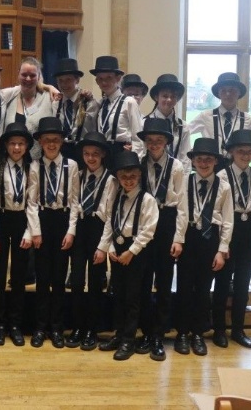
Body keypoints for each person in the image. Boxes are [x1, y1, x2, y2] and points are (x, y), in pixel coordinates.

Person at [94, 151, 157, 361]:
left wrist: (132, 251)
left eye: (132, 177)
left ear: (139, 176)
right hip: (118, 249)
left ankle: (129, 339)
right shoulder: (117, 197)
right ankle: (118, 335)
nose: (128, 181)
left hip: (136, 251)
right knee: (118, 295)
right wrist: (107, 248)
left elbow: (149, 230)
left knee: (133, 298)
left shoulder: (147, 200)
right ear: (118, 178)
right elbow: (110, 224)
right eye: (124, 177)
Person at [134, 117, 187, 361]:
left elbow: (183, 206)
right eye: (150, 140)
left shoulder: (177, 168)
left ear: (166, 142)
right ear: (144, 142)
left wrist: (178, 238)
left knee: (164, 283)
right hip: (144, 223)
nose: (154, 144)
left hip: (166, 221)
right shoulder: (139, 164)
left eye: (159, 140)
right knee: (143, 282)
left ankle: (159, 334)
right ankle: (145, 331)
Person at [174, 138, 233, 357]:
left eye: (209, 159)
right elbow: (181, 213)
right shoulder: (185, 182)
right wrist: (178, 239)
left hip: (210, 240)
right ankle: (181, 333)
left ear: (216, 161)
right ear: (193, 161)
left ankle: (197, 334)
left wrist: (221, 250)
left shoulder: (224, 187)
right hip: (189, 238)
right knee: (183, 288)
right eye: (200, 159)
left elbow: (227, 221)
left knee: (202, 290)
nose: (204, 163)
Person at [212, 129, 251, 349]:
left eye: (249, 152)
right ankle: (219, 329)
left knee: (243, 283)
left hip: (249, 228)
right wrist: (222, 243)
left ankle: (238, 329)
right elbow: (216, 211)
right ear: (232, 153)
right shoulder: (222, 176)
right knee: (223, 282)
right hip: (229, 229)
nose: (245, 155)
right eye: (241, 151)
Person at [0, 121, 41, 347]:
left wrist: (31, 231)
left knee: (18, 277)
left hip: (22, 221)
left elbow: (34, 203)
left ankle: (15, 324)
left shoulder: (33, 168)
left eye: (21, 144)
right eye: (12, 144)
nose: (17, 148)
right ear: (6, 145)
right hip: (0, 219)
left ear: (27, 146)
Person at [30, 117, 78, 348]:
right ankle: (40, 327)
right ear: (40, 141)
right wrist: (35, 232)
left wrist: (71, 231)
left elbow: (76, 201)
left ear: (61, 142)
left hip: (63, 220)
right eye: (47, 140)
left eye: (55, 140)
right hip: (42, 219)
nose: (51, 144)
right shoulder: (34, 166)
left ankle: (57, 328)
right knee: (42, 278)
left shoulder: (72, 166)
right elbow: (30, 202)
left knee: (59, 279)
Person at [67, 131, 114, 351]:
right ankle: (77, 326)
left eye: (95, 154)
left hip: (99, 230)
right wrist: (71, 231)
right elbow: (74, 203)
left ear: (103, 154)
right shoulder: (78, 175)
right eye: (87, 154)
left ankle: (92, 329)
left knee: (95, 282)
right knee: (76, 281)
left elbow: (111, 216)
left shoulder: (111, 180)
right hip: (80, 229)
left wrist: (103, 246)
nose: (91, 158)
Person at [188, 72, 251, 172]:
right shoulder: (206, 116)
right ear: (218, 93)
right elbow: (183, 133)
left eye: (232, 90)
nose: (228, 94)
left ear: (239, 93)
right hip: (211, 169)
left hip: (236, 169)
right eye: (224, 90)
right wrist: (193, 152)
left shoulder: (247, 119)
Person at [86, 56, 144, 157]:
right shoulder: (100, 104)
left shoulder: (129, 102)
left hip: (122, 153)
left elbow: (138, 137)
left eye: (109, 77)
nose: (104, 82)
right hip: (102, 154)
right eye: (100, 78)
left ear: (118, 78)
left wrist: (135, 159)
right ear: (97, 81)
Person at [2, 57, 56, 160]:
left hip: (40, 163)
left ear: (39, 76)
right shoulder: (9, 96)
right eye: (24, 75)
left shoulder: (49, 97)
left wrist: (49, 87)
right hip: (12, 162)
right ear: (18, 74)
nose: (28, 79)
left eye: (32, 75)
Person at [146, 74, 191, 173]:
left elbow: (185, 158)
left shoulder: (183, 127)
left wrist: (184, 183)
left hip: (175, 176)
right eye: (165, 96)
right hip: (149, 174)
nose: (169, 100)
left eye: (173, 96)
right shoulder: (144, 123)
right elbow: (140, 152)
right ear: (156, 97)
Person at [52, 58, 91, 163]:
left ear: (77, 80)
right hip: (61, 152)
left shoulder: (89, 102)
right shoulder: (55, 104)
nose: (64, 84)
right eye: (60, 80)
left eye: (68, 79)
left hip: (82, 153)